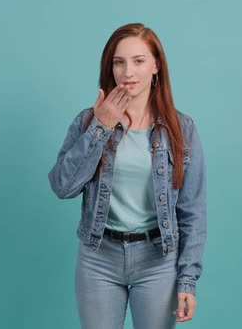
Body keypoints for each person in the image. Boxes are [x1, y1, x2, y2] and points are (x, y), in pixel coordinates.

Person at [48, 23, 206, 329]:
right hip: (99, 258)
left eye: (139, 61)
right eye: (119, 62)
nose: (127, 72)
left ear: (156, 65)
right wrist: (100, 127)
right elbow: (62, 187)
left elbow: (192, 212)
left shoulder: (182, 129)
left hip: (158, 260)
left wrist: (188, 280)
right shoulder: (88, 121)